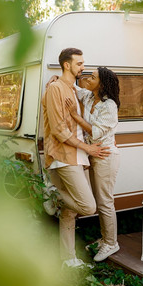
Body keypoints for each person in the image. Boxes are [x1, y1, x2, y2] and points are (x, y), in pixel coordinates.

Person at [41, 48, 110, 268]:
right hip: (63, 155)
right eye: (79, 64)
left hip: (78, 156)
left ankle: (68, 258)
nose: (83, 67)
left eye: (83, 63)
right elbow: (59, 129)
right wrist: (87, 149)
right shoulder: (56, 89)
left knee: (69, 212)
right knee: (88, 207)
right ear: (66, 65)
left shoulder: (72, 89)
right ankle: (51, 194)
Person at [49, 67, 121, 262]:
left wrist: (76, 116)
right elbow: (71, 86)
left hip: (105, 156)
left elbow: (96, 132)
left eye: (93, 77)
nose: (89, 78)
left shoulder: (110, 106)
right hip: (91, 154)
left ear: (102, 84)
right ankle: (105, 238)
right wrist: (56, 78)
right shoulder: (89, 96)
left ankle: (111, 243)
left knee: (105, 201)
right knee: (95, 200)